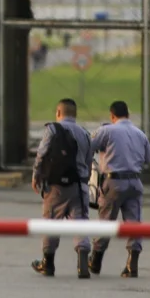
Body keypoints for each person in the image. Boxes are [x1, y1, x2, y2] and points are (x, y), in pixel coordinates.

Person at [89, 100, 150, 278]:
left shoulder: (107, 130)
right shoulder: (140, 134)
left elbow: (89, 148)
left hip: (114, 181)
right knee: (135, 223)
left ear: (112, 115)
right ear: (128, 114)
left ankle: (96, 260)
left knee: (106, 221)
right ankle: (132, 265)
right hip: (135, 182)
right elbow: (148, 160)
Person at [31, 98, 93, 279]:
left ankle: (48, 263)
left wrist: (36, 175)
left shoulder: (52, 129)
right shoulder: (84, 133)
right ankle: (82, 265)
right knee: (80, 221)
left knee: (51, 221)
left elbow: (42, 153)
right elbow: (89, 162)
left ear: (58, 112)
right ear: (75, 114)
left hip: (55, 187)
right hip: (79, 185)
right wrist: (84, 181)